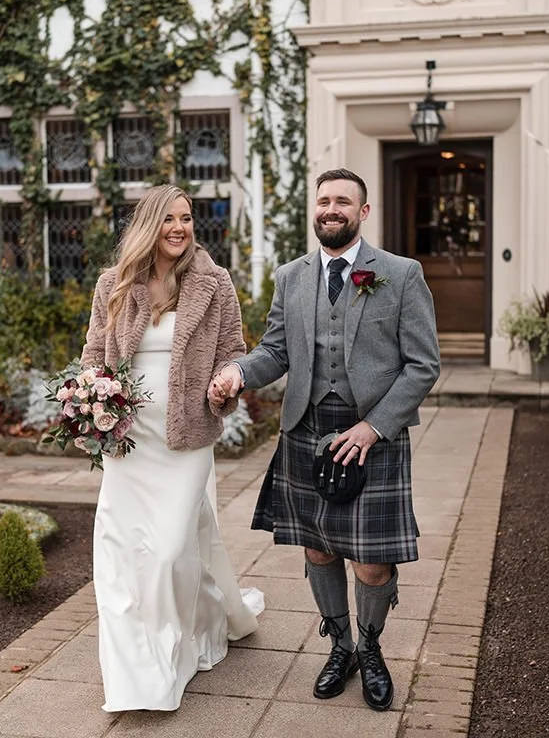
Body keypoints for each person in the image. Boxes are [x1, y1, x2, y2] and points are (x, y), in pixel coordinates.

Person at [209, 168, 440, 712]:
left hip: (372, 433)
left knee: (372, 561)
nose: (331, 209)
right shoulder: (291, 277)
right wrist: (239, 373)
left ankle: (371, 646)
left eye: (343, 202)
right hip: (306, 431)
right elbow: (276, 351)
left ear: (363, 212)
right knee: (317, 548)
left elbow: (423, 364)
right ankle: (339, 646)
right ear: (314, 210)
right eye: (323, 201)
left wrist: (373, 426)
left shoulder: (401, 274)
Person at [80, 183, 264, 712]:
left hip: (186, 440)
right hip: (129, 440)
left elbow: (234, 349)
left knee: (166, 554)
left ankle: (187, 637)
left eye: (186, 218)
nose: (180, 227)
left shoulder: (214, 282)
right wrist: (93, 397)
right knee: (120, 557)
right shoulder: (112, 284)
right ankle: (137, 677)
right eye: (169, 219)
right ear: (149, 225)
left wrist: (228, 379)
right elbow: (94, 352)